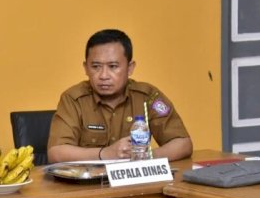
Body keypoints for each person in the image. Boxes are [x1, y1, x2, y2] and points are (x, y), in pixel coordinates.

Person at [47, 29, 192, 163]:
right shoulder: (73, 99)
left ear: (130, 68)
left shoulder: (147, 96)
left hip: (135, 182)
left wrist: (146, 156)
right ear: (86, 68)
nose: (103, 76)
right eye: (96, 67)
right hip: (88, 185)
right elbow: (56, 152)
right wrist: (105, 154)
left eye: (113, 67)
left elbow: (183, 144)